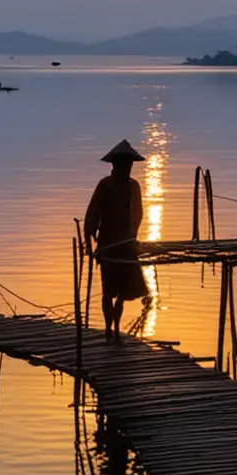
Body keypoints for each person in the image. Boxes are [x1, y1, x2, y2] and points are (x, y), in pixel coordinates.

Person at [83, 139, 146, 339]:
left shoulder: (134, 186)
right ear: (115, 165)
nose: (127, 168)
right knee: (108, 290)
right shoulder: (105, 185)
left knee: (122, 292)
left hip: (126, 245)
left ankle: (116, 329)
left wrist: (131, 236)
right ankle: (109, 329)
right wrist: (89, 234)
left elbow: (138, 213)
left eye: (129, 164)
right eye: (124, 164)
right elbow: (93, 211)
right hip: (108, 246)